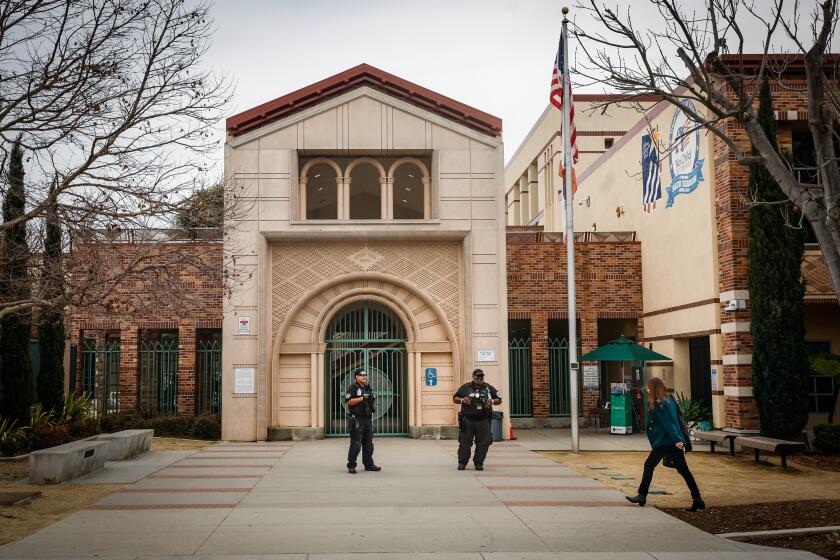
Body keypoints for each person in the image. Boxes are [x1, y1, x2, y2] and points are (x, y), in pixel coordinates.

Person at [626, 376, 705, 511]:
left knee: (649, 464)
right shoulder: (670, 400)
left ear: (653, 388)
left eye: (649, 387)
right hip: (672, 442)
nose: (647, 389)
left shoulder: (660, 404)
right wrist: (679, 440)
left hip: (665, 442)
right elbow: (677, 420)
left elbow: (669, 424)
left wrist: (678, 441)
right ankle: (698, 499)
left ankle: (642, 495)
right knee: (684, 471)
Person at [453, 368, 502, 471]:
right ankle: (462, 463)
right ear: (473, 376)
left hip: (483, 420)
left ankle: (478, 463)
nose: (479, 378)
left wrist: (492, 401)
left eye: (481, 376)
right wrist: (462, 400)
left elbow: (499, 399)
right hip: (468, 420)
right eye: (477, 376)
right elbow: (455, 398)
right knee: (465, 442)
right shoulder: (466, 387)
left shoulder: (488, 388)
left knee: (484, 443)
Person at [344, 369, 381, 474]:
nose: (365, 376)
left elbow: (370, 401)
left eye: (366, 375)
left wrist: (372, 398)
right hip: (357, 420)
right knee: (356, 444)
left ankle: (369, 464)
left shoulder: (368, 388)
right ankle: (351, 465)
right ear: (356, 376)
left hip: (367, 420)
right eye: (362, 375)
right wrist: (361, 398)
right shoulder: (353, 388)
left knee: (369, 444)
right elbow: (348, 401)